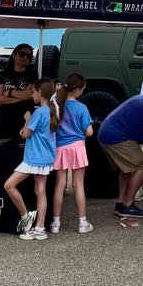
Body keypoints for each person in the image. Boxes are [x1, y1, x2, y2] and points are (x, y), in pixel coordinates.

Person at [4, 78, 59, 240]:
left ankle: (25, 216)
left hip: (33, 159)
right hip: (46, 158)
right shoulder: (51, 110)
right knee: (40, 191)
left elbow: (25, 134)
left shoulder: (39, 112)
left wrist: (27, 120)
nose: (32, 95)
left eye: (34, 92)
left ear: (40, 93)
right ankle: (40, 228)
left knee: (9, 185)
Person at [97, 93, 143, 221]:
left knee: (127, 169)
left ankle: (121, 203)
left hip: (106, 131)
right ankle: (128, 205)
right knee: (141, 165)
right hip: (116, 136)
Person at [50, 74, 94, 235]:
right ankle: (82, 222)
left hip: (60, 148)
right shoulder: (81, 108)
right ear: (77, 90)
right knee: (78, 185)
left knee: (60, 185)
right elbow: (89, 132)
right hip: (77, 148)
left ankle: (55, 222)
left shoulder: (56, 105)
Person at [0, 44, 36, 144]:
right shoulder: (2, 74)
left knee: (19, 152)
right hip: (3, 119)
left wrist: (9, 93)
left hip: (24, 119)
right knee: (0, 149)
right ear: (14, 55)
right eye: (22, 54)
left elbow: (30, 95)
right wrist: (21, 96)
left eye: (28, 56)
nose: (25, 57)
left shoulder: (32, 75)